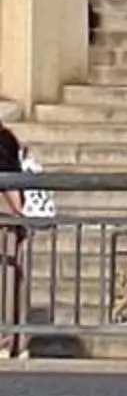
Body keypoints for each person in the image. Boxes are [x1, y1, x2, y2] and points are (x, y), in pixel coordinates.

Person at [0, 124, 52, 363]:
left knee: (7, 278)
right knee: (12, 278)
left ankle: (7, 341)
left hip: (6, 217)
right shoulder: (7, 138)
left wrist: (20, 213)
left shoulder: (3, 140)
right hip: (10, 217)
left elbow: (8, 178)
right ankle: (17, 341)